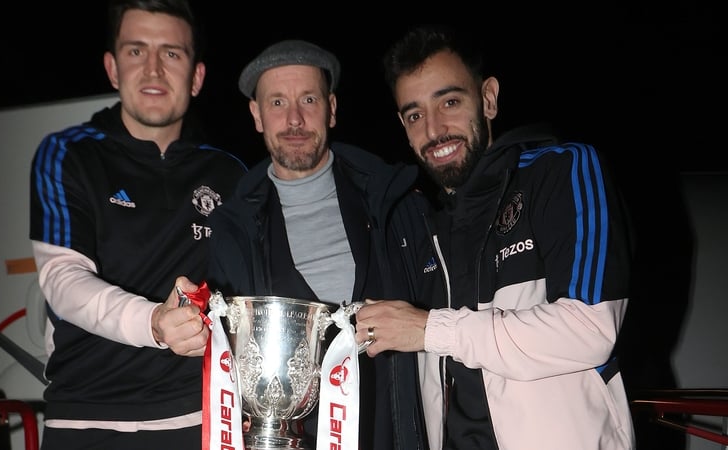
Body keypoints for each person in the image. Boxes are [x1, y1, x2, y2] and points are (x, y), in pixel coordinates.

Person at [354, 24, 636, 449]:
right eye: (415, 115)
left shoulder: (559, 170)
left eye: (449, 101)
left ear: (488, 98)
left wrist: (430, 329)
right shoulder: (422, 223)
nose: (434, 130)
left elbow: (591, 328)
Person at [28, 1, 247, 449]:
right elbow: (62, 279)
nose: (152, 69)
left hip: (201, 420)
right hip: (86, 422)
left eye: (171, 53)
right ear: (112, 68)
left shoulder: (232, 174)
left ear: (197, 76)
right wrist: (154, 322)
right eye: (135, 51)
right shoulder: (68, 153)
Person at [206, 39, 434, 449]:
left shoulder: (397, 202)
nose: (294, 119)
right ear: (256, 115)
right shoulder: (231, 229)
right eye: (277, 103)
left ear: (331, 108)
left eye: (308, 99)